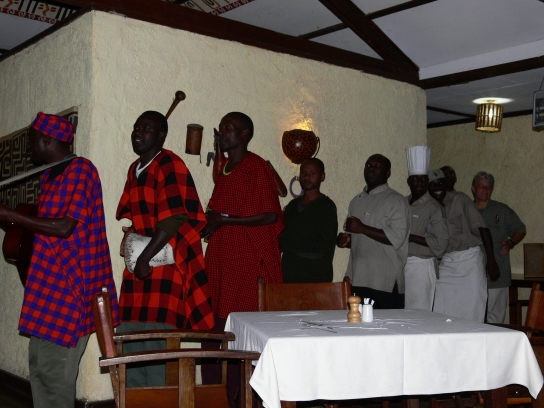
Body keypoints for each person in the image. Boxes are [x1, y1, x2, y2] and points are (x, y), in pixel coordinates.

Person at [0, 112, 118, 408]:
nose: (29, 148)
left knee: (55, 376)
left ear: (47, 140)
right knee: (40, 369)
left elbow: (65, 227)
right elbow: (42, 231)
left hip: (71, 289)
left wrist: (13, 215)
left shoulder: (81, 170)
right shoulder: (50, 176)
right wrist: (11, 219)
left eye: (31, 141)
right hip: (47, 289)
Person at [116, 111, 214, 387]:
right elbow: (140, 216)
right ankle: (135, 402)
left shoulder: (169, 163)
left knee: (158, 349)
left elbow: (173, 218)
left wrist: (144, 259)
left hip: (163, 267)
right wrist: (131, 237)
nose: (138, 132)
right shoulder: (135, 169)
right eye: (136, 127)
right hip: (140, 265)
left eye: (146, 128)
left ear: (161, 136)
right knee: (130, 343)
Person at [201, 112, 283, 405]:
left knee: (239, 335)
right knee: (214, 330)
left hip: (245, 262)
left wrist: (224, 220)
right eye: (221, 128)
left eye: (229, 128)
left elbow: (270, 215)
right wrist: (211, 223)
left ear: (245, 134)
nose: (222, 133)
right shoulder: (226, 170)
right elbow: (220, 211)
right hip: (222, 262)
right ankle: (214, 398)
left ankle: (241, 399)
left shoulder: (255, 166)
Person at [337, 154, 410, 309]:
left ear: (388, 173)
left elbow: (397, 238)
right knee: (358, 323)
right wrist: (347, 240)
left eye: (377, 165)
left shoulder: (396, 200)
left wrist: (362, 228)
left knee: (386, 324)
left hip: (384, 282)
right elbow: (358, 238)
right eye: (368, 165)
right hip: (359, 278)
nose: (371, 169)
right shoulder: (356, 201)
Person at [428, 169, 500, 322]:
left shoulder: (460, 199)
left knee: (473, 308)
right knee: (443, 307)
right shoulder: (429, 207)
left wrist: (491, 260)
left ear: (446, 184)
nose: (437, 188)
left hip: (469, 259)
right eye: (433, 185)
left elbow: (483, 228)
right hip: (446, 263)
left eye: (440, 183)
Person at [472, 171, 526, 323]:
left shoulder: (501, 210)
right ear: (473, 189)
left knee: (495, 318)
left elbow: (520, 229)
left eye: (489, 187)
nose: (485, 190)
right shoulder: (466, 209)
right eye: (481, 186)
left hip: (497, 273)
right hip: (471, 273)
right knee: (473, 315)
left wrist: (510, 243)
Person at [404, 147, 448, 310]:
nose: (419, 183)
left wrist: (412, 237)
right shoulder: (401, 203)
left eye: (423, 179)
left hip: (422, 266)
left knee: (418, 315)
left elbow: (441, 243)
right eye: (415, 179)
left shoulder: (433, 208)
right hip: (402, 265)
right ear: (409, 181)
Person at [280, 158, 338, 283]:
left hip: (315, 280)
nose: (307, 176)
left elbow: (320, 247)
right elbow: (280, 238)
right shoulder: (292, 206)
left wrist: (288, 243)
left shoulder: (326, 207)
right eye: (303, 172)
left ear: (322, 176)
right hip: (289, 278)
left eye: (312, 173)